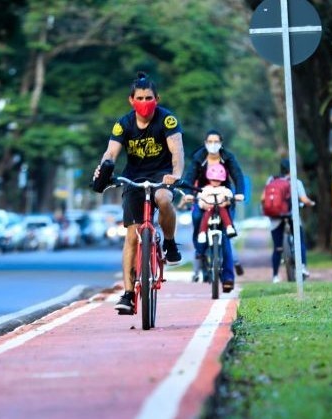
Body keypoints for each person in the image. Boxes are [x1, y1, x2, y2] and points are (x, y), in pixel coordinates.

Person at [92, 71, 184, 314]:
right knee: (132, 236)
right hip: (133, 177)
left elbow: (177, 152)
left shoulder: (167, 121)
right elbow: (111, 152)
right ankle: (128, 293)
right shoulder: (123, 124)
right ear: (131, 100)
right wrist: (104, 169)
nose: (145, 103)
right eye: (140, 98)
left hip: (161, 174)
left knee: (164, 198)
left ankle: (171, 244)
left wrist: (175, 174)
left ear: (157, 98)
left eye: (149, 97)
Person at [181, 129, 246, 292]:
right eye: (209, 141)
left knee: (225, 238)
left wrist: (239, 194)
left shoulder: (228, 157)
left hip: (224, 199)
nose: (213, 144)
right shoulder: (199, 158)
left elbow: (238, 176)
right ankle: (200, 250)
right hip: (203, 196)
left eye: (216, 141)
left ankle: (228, 278)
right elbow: (189, 177)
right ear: (205, 143)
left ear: (221, 143)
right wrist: (189, 194)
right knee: (196, 217)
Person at [269, 158, 315, 283]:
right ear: (291, 169)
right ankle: (303, 267)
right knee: (299, 241)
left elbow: (265, 198)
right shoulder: (296, 182)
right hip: (292, 215)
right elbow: (304, 199)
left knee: (277, 247)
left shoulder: (272, 180)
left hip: (275, 217)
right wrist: (311, 203)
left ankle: (275, 276)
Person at [196, 163, 238, 243]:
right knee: (206, 215)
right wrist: (203, 205)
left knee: (223, 210)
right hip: (209, 208)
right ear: (209, 179)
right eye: (213, 180)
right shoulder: (205, 189)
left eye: (218, 180)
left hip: (220, 208)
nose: (215, 182)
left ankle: (229, 227)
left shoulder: (223, 189)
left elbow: (229, 196)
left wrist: (227, 202)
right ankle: (202, 232)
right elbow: (200, 198)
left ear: (222, 180)